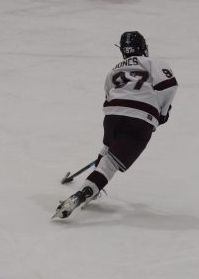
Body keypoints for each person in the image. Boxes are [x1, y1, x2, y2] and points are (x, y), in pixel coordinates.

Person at [53, 31, 178, 219]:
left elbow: (110, 97)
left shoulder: (113, 71)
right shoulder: (153, 62)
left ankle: (96, 178)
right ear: (143, 47)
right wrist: (163, 111)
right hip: (139, 118)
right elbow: (169, 85)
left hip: (112, 115)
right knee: (110, 165)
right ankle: (81, 194)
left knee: (110, 151)